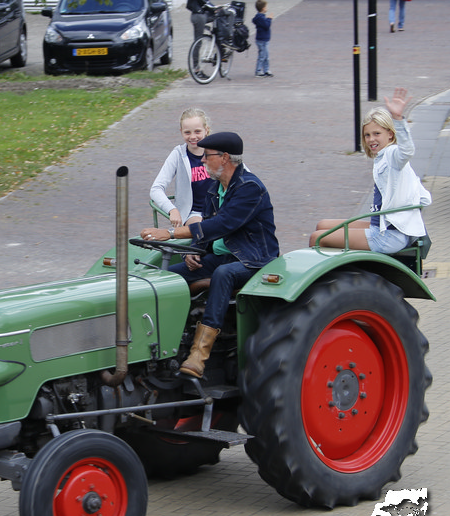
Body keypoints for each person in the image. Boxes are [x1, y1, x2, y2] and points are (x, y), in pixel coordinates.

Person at [139, 131, 280, 378]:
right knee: (167, 276)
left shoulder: (250, 188)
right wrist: (195, 250)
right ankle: (157, 341)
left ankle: (199, 354)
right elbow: (207, 225)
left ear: (224, 158)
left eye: (207, 155)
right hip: (222, 256)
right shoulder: (216, 188)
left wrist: (170, 233)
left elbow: (222, 224)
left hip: (253, 259)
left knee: (224, 274)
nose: (202, 160)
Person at [310, 88, 431, 255]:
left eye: (377, 133)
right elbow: (423, 198)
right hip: (380, 226)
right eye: (367, 135)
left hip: (388, 236)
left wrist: (398, 119)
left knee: (317, 238)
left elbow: (407, 151)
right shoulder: (381, 158)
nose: (371, 139)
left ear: (390, 134)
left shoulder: (392, 155)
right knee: (322, 225)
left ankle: (331, 271)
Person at [149, 108, 214, 229]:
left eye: (197, 131)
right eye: (187, 132)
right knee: (202, 229)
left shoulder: (217, 151)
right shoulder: (178, 154)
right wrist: (172, 209)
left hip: (221, 210)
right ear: (181, 132)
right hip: (193, 214)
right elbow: (156, 189)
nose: (193, 137)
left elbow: (244, 176)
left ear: (206, 130)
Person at [252, 0, 272, 77]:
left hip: (263, 39)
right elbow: (266, 26)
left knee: (266, 56)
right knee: (262, 56)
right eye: (266, 7)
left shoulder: (260, 17)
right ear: (263, 8)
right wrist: (269, 19)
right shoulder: (261, 18)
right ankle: (258, 71)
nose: (267, 8)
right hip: (262, 40)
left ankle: (266, 70)